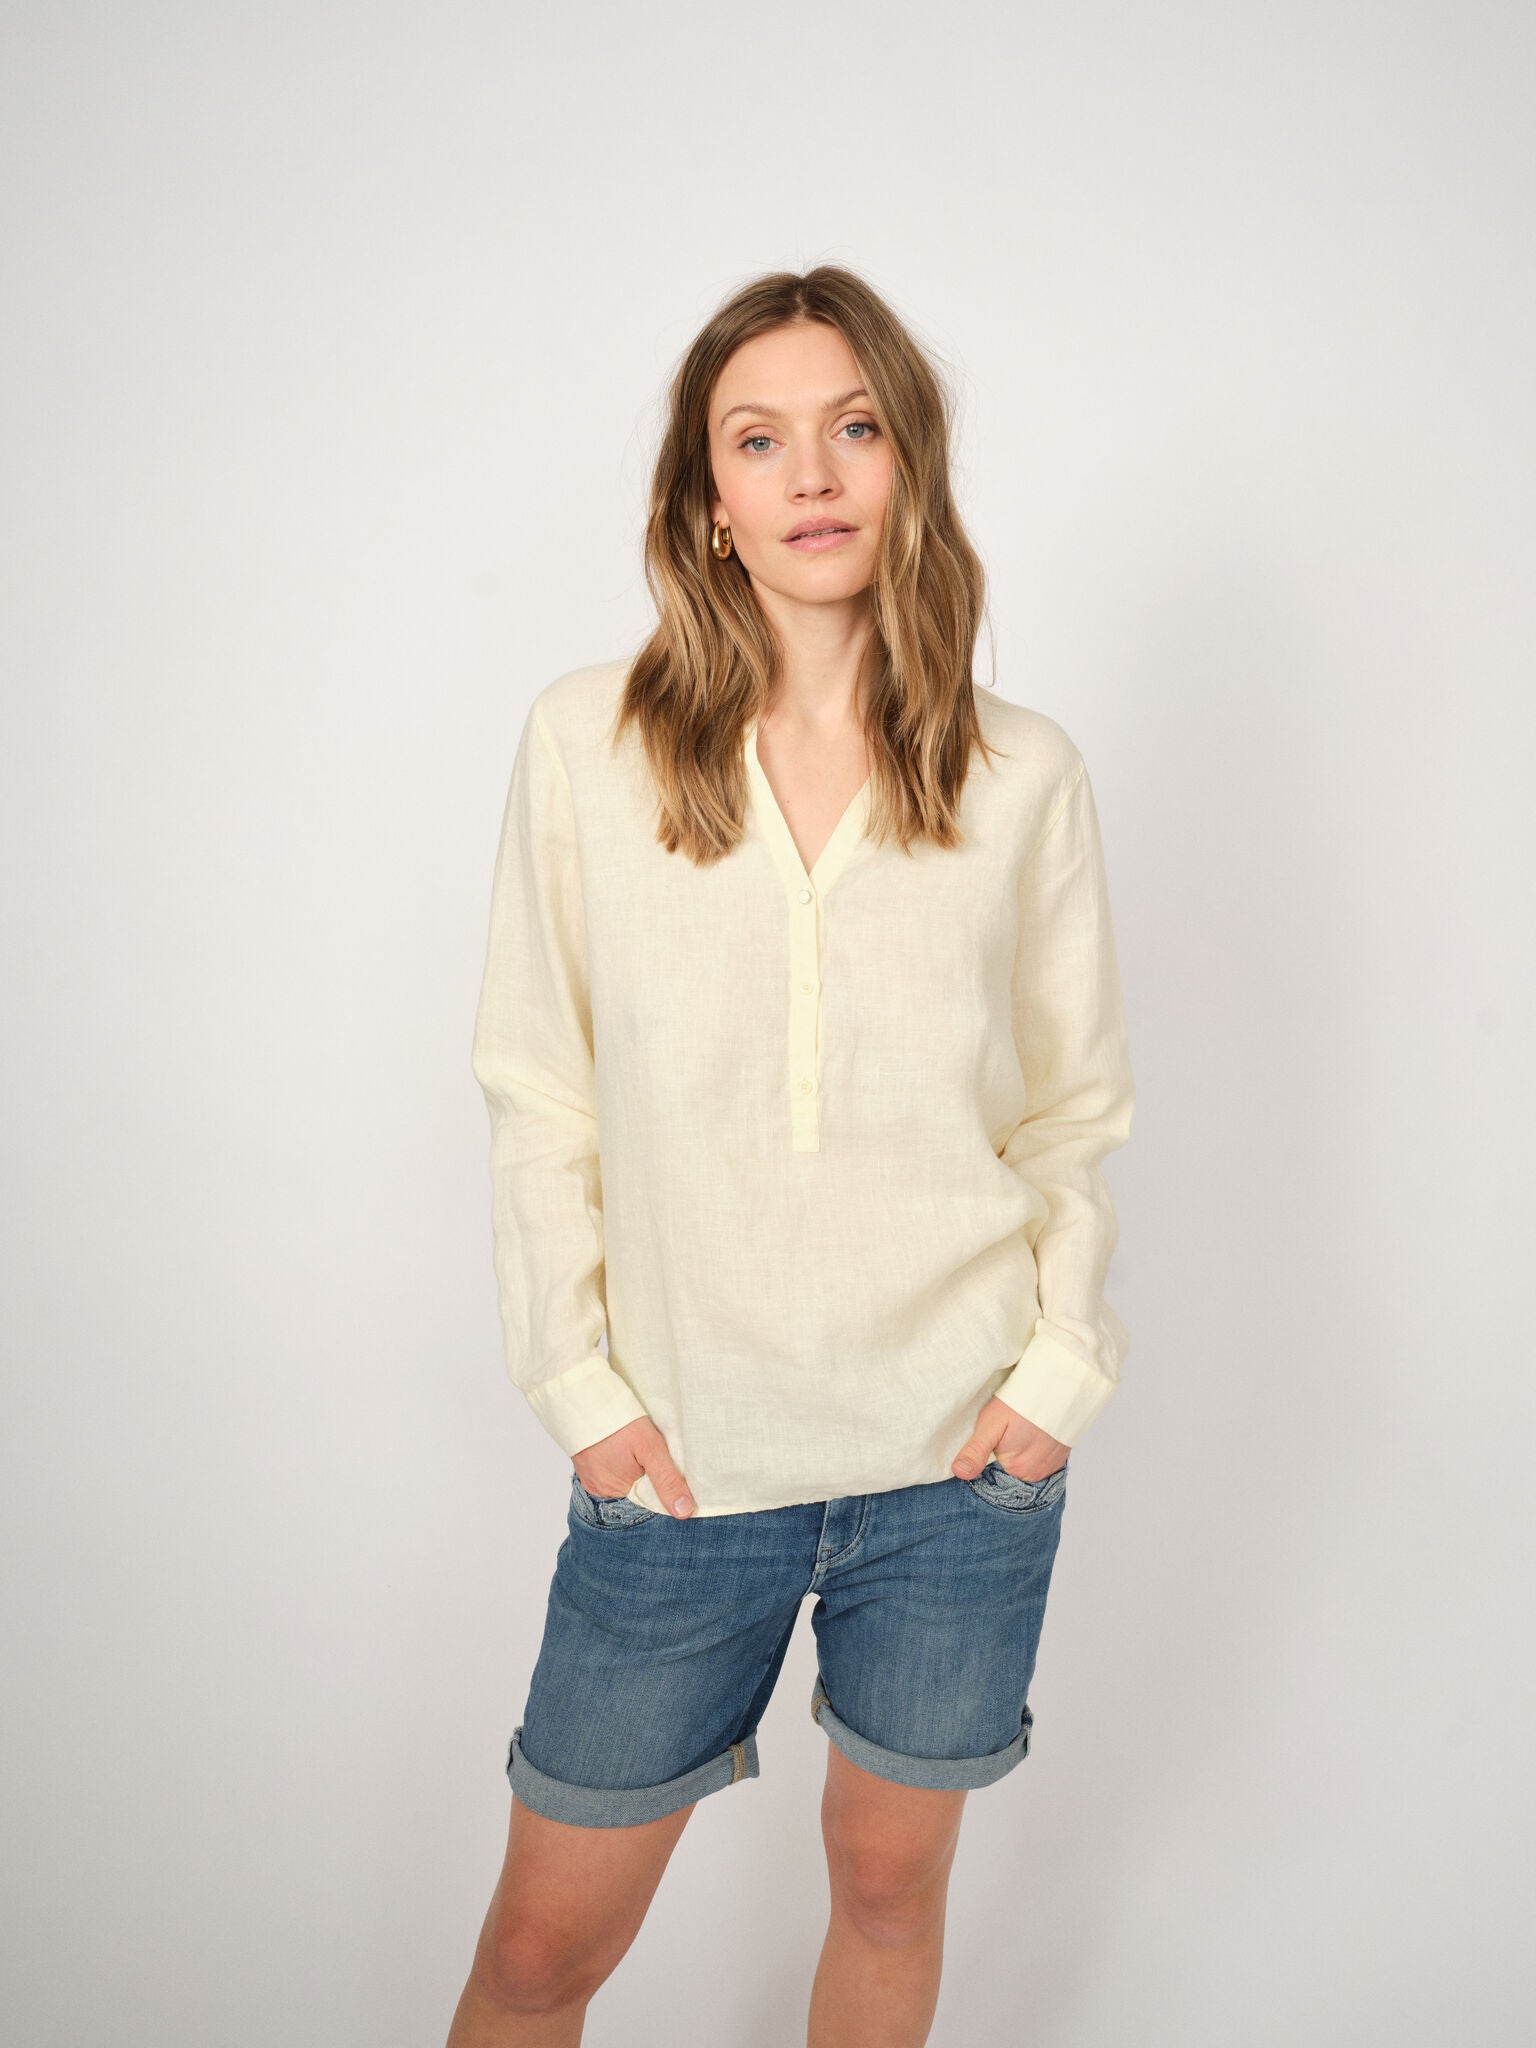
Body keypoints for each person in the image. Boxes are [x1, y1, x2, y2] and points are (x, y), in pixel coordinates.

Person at [447, 264, 1136, 2048]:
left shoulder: (1021, 773)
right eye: (759, 440)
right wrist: (580, 1389)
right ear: (708, 498)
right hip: (681, 1468)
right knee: (537, 1958)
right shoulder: (588, 745)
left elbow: (1071, 1109)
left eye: (854, 427)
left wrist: (1058, 1371)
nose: (812, 474)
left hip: (961, 1469)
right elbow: (538, 1087)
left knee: (890, 1897)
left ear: (910, 462)